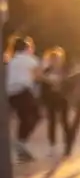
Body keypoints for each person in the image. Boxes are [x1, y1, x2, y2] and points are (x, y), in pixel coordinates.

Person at [4, 35, 42, 163]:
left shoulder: (11, 60)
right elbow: (38, 76)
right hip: (23, 92)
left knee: (23, 118)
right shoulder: (31, 59)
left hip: (10, 94)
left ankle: (21, 149)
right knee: (36, 116)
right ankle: (21, 142)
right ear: (27, 48)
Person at [39, 47, 70, 152]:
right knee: (52, 122)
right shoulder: (46, 71)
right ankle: (52, 145)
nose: (56, 61)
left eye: (57, 58)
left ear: (61, 59)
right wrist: (44, 101)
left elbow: (70, 84)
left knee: (64, 121)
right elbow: (42, 87)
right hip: (51, 99)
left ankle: (68, 144)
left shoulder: (65, 70)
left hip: (63, 99)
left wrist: (64, 90)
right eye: (53, 59)